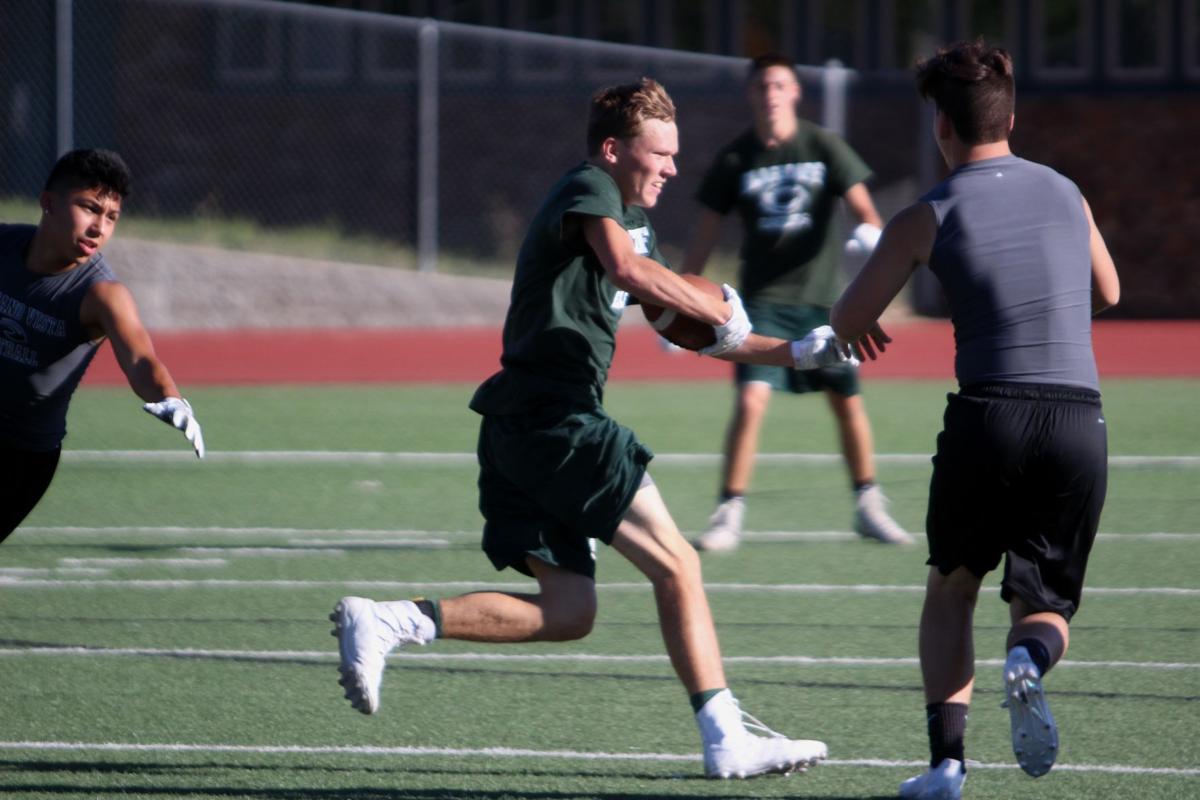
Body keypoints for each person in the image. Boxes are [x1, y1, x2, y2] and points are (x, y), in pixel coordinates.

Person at [331, 78, 884, 780]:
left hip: (522, 423)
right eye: (662, 153)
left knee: (569, 610)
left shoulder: (632, 226)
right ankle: (726, 739)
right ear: (615, 148)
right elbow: (634, 272)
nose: (674, 169)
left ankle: (392, 621)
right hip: (554, 417)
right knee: (678, 563)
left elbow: (682, 325)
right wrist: (721, 308)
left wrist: (798, 348)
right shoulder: (589, 186)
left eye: (678, 156)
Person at [829, 40, 1120, 799]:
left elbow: (848, 318)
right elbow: (1109, 292)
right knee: (1045, 605)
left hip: (989, 414)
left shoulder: (929, 213)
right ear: (1012, 118)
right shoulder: (1066, 191)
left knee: (952, 588)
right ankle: (1026, 662)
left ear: (941, 129)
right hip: (1077, 419)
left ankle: (947, 769)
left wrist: (863, 323)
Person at [684, 53, 911, 552]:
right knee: (751, 400)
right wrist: (682, 299)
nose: (771, 93)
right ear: (751, 93)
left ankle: (869, 504)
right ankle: (729, 511)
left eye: (779, 84)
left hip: (825, 301)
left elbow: (864, 210)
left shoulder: (822, 145)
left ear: (794, 92)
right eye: (762, 85)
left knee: (846, 401)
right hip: (760, 302)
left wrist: (872, 239)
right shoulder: (735, 159)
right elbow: (702, 240)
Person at [0, 148, 205, 544]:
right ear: (48, 203)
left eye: (111, 217)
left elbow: (142, 358)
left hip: (19, 456)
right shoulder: (4, 244)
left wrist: (172, 397)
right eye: (89, 208)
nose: (100, 227)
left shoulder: (102, 294)